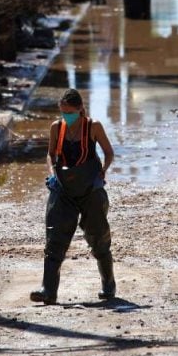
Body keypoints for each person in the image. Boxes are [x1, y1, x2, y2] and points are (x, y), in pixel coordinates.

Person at [30, 89, 116, 305]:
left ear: (80, 109)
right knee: (54, 238)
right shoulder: (56, 128)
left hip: (90, 190)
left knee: (98, 237)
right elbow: (50, 154)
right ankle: (48, 290)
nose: (66, 116)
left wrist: (103, 170)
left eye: (70, 112)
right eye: (63, 112)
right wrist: (52, 176)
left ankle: (108, 284)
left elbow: (109, 152)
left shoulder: (93, 126)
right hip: (63, 190)